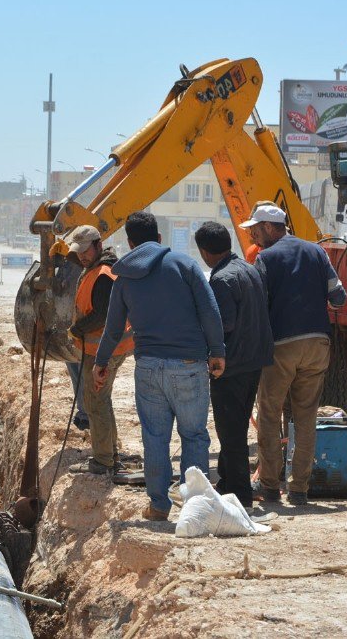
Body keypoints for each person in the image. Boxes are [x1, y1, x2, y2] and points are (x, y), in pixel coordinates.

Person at [93, 212, 225, 521]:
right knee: (193, 435)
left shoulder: (124, 277)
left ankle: (158, 506)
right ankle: (196, 508)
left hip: (148, 367)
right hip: (189, 364)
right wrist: (217, 351)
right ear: (160, 239)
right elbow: (210, 310)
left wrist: (100, 362)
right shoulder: (184, 265)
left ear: (130, 242)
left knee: (154, 437)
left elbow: (113, 329)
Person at [241, 205, 347, 505]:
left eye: (256, 228)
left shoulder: (266, 258)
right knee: (305, 418)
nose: (252, 233)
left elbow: (257, 303)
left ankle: (271, 487)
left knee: (270, 415)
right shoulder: (317, 253)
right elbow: (339, 297)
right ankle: (300, 489)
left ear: (272, 227)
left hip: (282, 346)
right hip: (317, 345)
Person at [194, 221, 273, 509]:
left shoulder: (221, 279)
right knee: (235, 425)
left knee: (231, 431)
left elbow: (223, 324)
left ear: (204, 252)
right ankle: (227, 481)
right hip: (253, 360)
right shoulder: (247, 269)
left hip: (233, 365)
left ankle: (240, 495)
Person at [65, 225, 135, 475]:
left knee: (95, 402)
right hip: (104, 348)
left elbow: (102, 315)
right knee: (100, 400)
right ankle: (110, 453)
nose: (82, 256)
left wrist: (76, 329)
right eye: (79, 252)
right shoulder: (95, 269)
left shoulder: (103, 274)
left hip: (103, 351)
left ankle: (103, 459)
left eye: (85, 251)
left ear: (98, 245)